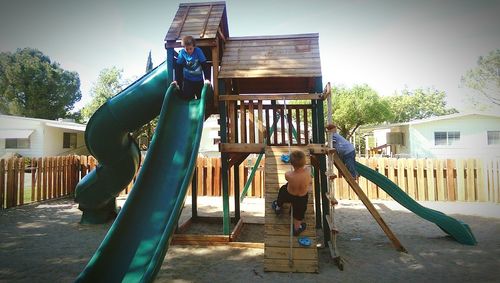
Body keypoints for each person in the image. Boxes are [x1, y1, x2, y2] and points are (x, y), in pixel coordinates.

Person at [271, 150, 312, 236]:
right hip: (302, 197)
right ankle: (297, 228)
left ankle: (278, 207)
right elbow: (306, 168)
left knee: (282, 190)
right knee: (299, 213)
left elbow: (287, 178)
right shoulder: (308, 172)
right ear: (304, 162)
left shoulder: (289, 175)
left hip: (289, 194)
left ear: (291, 163)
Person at [174, 35, 211, 100]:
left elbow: (205, 66)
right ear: (184, 48)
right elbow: (178, 67)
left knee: (201, 98)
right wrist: (176, 80)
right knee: (187, 98)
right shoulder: (182, 53)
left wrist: (207, 79)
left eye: (190, 48)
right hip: (188, 80)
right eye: (187, 49)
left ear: (194, 46)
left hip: (199, 80)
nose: (189, 51)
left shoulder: (198, 51)